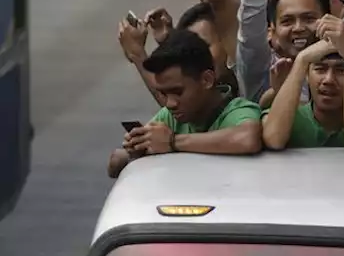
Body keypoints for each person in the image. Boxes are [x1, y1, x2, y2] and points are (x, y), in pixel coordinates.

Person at [109, 31, 263, 178]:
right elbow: (115, 163)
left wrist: (173, 142)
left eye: (177, 92)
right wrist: (135, 150)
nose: (170, 103)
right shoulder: (170, 117)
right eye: (163, 94)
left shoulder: (238, 111)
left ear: (206, 80)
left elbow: (248, 138)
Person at [262, 16, 344, 149]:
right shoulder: (290, 115)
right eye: (320, 69)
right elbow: (274, 139)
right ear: (307, 73)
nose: (328, 80)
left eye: (341, 70)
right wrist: (302, 60)